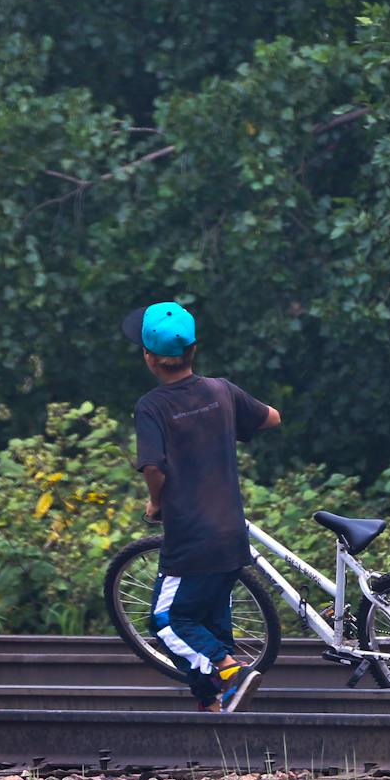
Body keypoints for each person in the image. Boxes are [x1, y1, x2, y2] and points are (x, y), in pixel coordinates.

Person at [124, 300, 280, 710]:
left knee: (167, 622)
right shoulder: (221, 390)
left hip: (191, 538)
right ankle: (213, 702)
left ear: (149, 358)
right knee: (209, 621)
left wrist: (156, 502)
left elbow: (153, 466)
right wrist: (225, 421)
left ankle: (232, 671)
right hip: (231, 532)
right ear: (193, 349)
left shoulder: (152, 406)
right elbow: (271, 417)